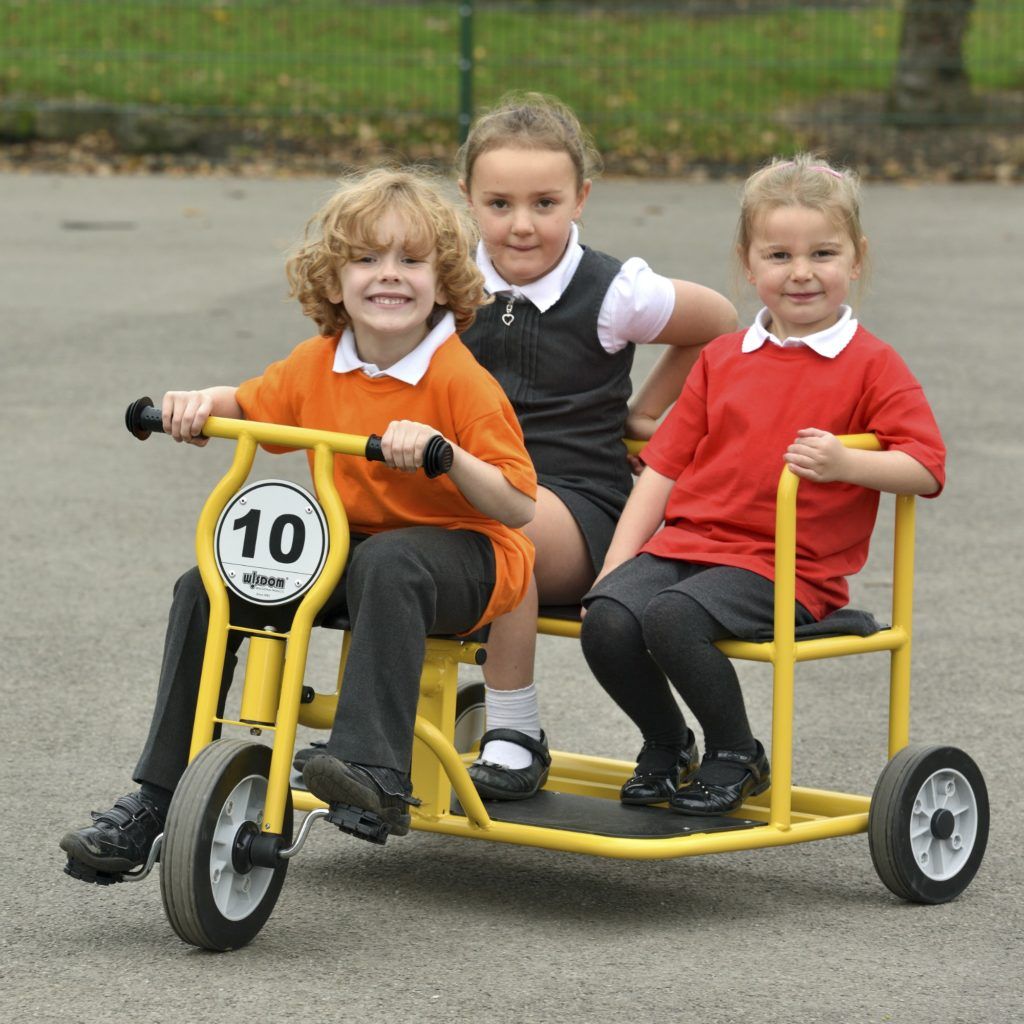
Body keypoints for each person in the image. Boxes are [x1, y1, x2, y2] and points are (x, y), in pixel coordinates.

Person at [59, 167, 538, 880]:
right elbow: (252, 405)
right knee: (208, 584)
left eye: (412, 261)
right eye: (368, 259)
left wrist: (444, 456)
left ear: (444, 282)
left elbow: (517, 503)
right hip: (357, 548)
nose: (390, 277)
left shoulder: (457, 378)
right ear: (334, 278)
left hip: (471, 558)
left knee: (393, 561)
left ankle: (375, 773)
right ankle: (158, 795)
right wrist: (197, 405)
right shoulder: (319, 364)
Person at [579, 153, 945, 815]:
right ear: (748, 264)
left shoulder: (871, 365)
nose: (801, 272)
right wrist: (617, 559)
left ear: (857, 259)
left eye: (823, 253)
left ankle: (735, 752)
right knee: (607, 615)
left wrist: (846, 463)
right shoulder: (723, 359)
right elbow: (663, 465)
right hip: (688, 547)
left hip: (784, 566)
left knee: (672, 618)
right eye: (778, 255)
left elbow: (925, 465)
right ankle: (667, 744)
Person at [454, 92, 739, 800]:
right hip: (469, 484)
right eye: (499, 205)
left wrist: (649, 409)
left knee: (504, 529)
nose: (521, 225)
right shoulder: (448, 282)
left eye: (545, 203)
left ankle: (516, 734)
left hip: (577, 506)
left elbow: (718, 322)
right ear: (467, 198)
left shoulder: (614, 292)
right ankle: (376, 727)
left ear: (580, 198)